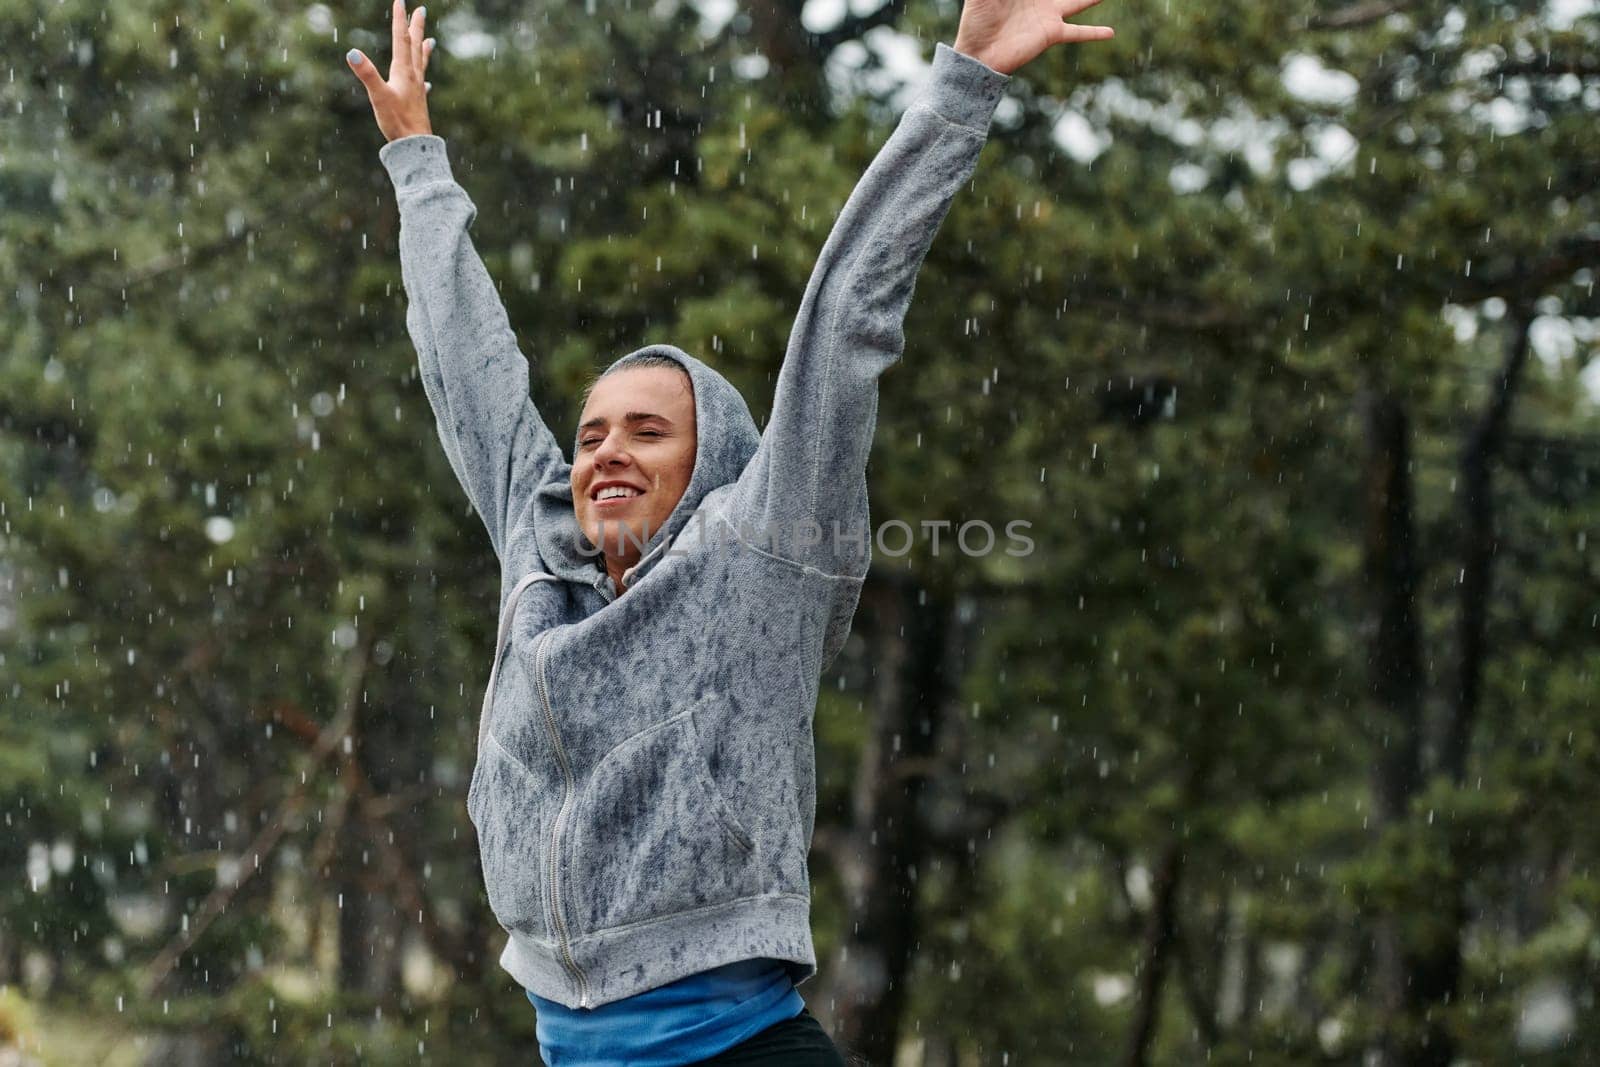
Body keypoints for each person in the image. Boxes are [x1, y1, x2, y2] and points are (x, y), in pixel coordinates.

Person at [347, 1, 1114, 1062]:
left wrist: (963, 82)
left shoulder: (760, 552)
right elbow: (468, 372)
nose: (607, 450)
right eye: (591, 433)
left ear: (712, 466)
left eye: (648, 431)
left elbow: (846, 315)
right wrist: (418, 168)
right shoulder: (541, 553)